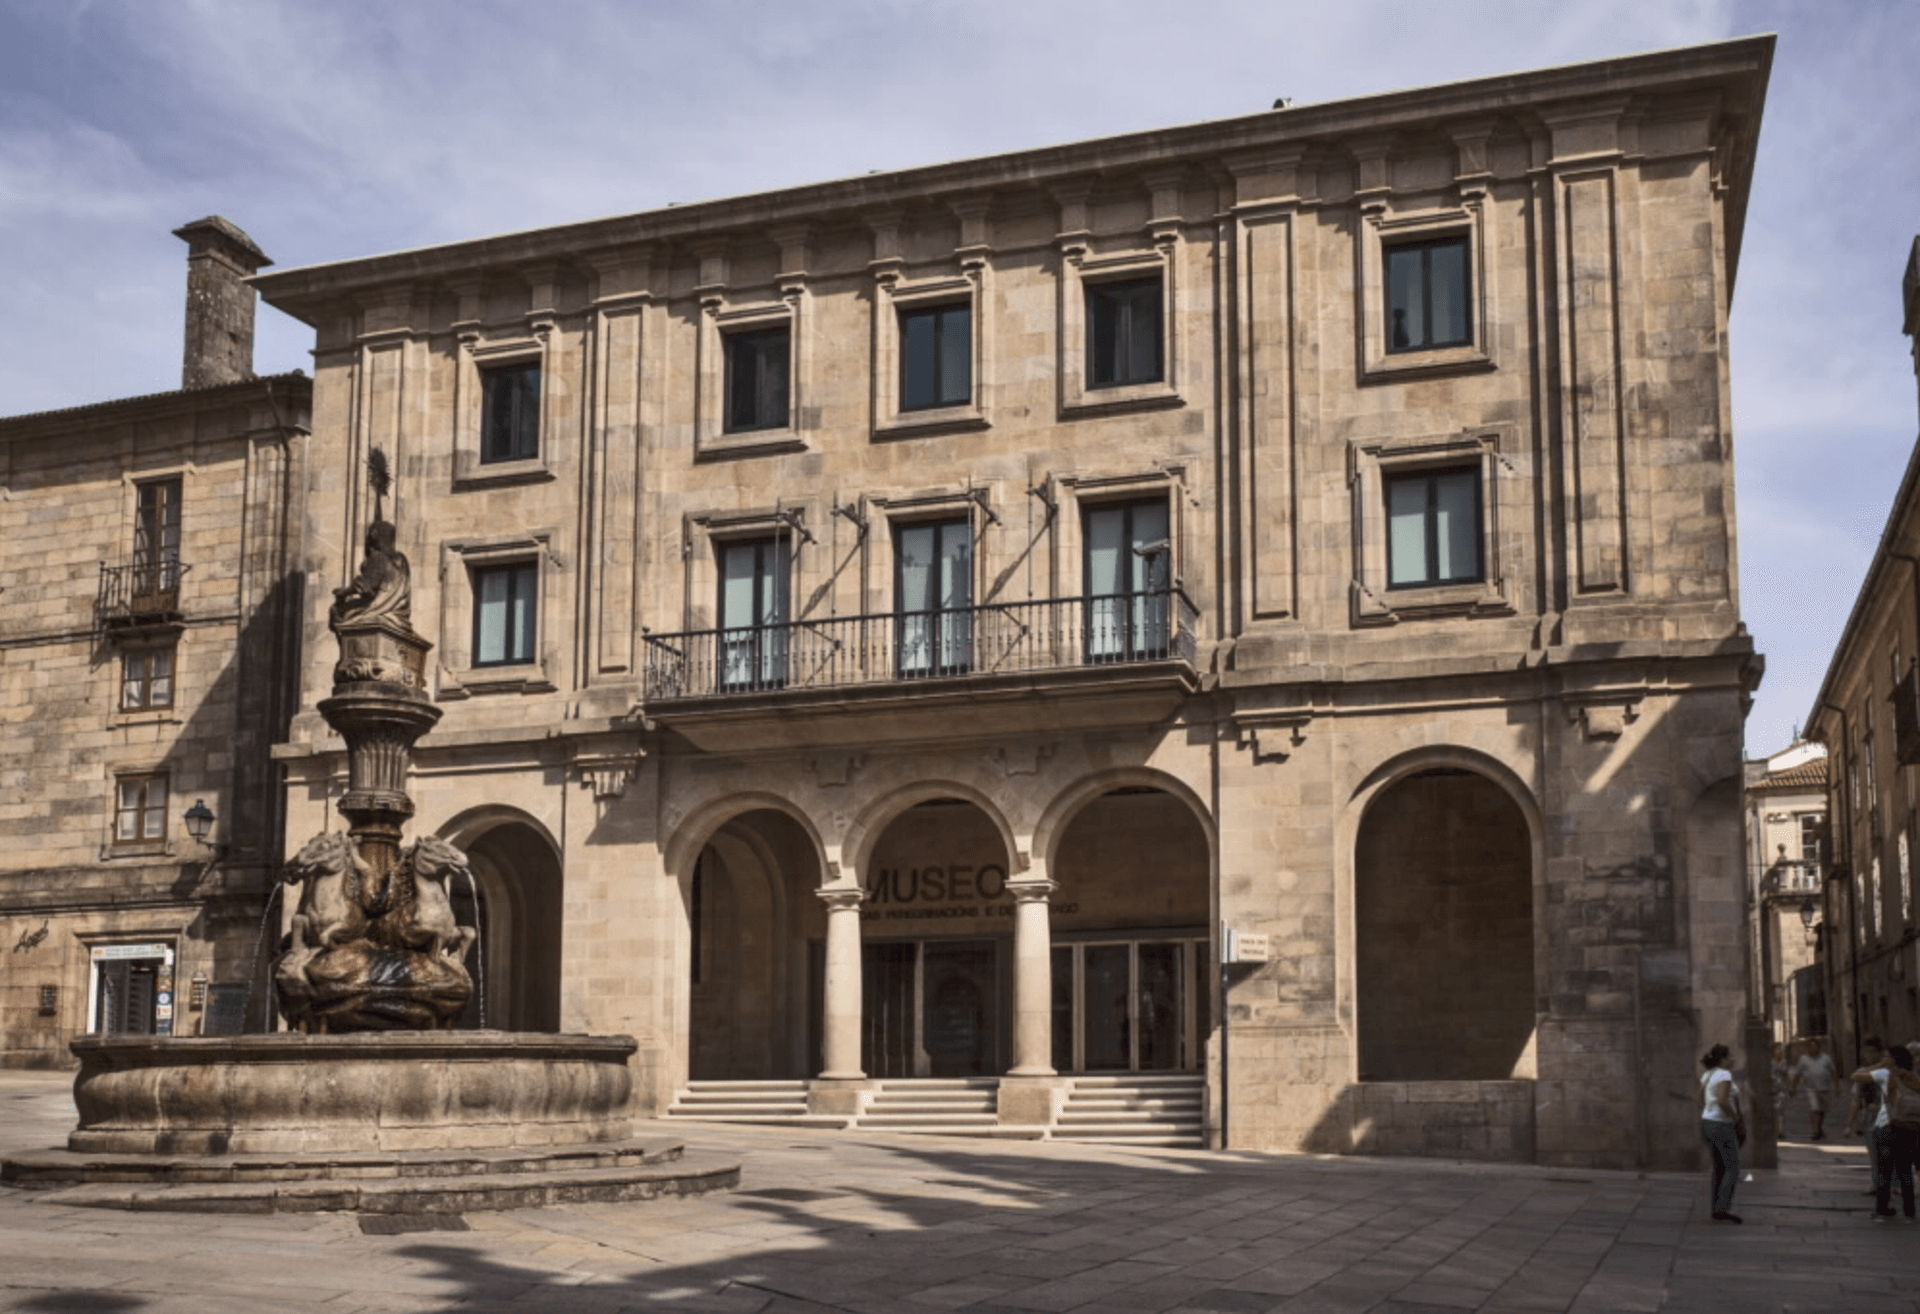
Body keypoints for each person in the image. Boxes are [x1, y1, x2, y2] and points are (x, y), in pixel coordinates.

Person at [1863, 1047, 1920, 1222]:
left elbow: (1858, 1077)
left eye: (1887, 1056)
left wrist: (1879, 1065)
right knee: (1905, 1170)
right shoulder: (1914, 1076)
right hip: (1911, 1126)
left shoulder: (1890, 1075)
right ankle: (1910, 1213)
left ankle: (1881, 1211)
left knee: (1884, 1169)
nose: (1884, 1058)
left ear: (1894, 1059)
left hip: (1892, 1125)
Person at [1700, 1042, 1744, 1223]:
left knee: (1719, 1167)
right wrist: (1735, 1118)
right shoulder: (1724, 1074)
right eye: (1731, 1056)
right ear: (1723, 1059)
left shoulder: (1707, 1074)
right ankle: (1723, 1208)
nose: (1733, 1059)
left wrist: (1710, 1110)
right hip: (1721, 1124)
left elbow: (1699, 1098)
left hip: (1707, 1123)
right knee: (1732, 1167)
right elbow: (1723, 1100)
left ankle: (1716, 1208)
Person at [1791, 1037, 1837, 1140]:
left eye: (1814, 1046)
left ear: (1819, 1047)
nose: (1812, 1048)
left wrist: (1837, 1087)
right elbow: (1797, 1074)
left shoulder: (1826, 1058)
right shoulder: (1803, 1059)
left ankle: (1819, 1129)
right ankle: (1815, 1131)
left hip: (1824, 1088)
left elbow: (1833, 1072)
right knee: (1814, 1109)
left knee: (1822, 1111)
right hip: (1810, 1088)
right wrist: (1793, 1087)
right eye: (1810, 1046)